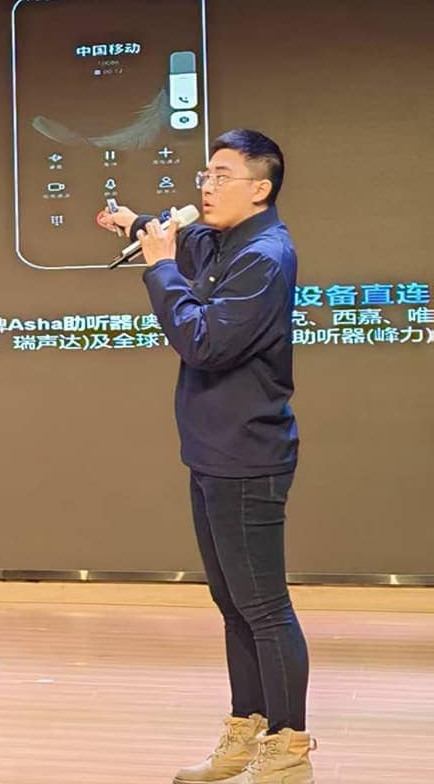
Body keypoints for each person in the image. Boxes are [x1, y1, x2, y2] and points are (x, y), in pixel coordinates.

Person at [96, 130, 315, 784]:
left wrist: (159, 268)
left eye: (222, 176)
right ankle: (247, 730)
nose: (206, 187)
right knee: (233, 602)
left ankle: (289, 750)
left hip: (247, 454)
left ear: (260, 188)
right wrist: (134, 223)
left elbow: (203, 342)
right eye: (205, 175)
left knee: (264, 607)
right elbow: (183, 238)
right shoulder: (224, 240)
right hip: (212, 451)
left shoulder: (264, 257)